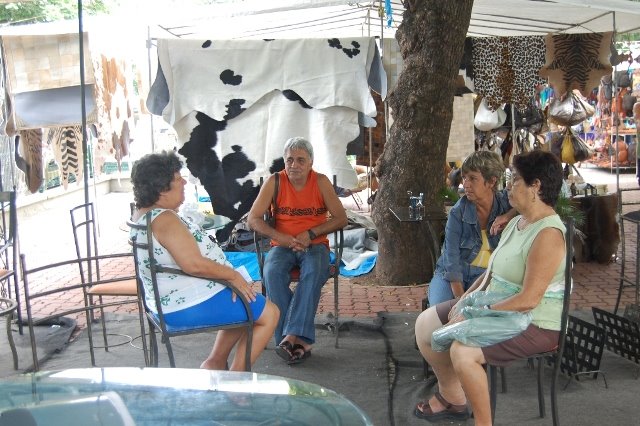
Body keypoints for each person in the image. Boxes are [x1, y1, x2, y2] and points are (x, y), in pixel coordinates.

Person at [414, 150, 567, 425]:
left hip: (536, 322)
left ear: (536, 187)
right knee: (426, 324)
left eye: (516, 180)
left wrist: (475, 312)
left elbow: (529, 300)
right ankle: (454, 398)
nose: (510, 185)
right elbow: (489, 275)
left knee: (463, 351)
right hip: (501, 305)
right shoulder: (517, 221)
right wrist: (465, 300)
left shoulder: (548, 234)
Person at [129, 151, 279, 371]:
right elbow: (194, 265)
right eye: (178, 179)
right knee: (269, 313)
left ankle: (215, 363)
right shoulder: (165, 219)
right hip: (182, 304)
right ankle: (236, 380)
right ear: (161, 189)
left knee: (243, 295)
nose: (185, 183)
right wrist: (232, 275)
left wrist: (234, 280)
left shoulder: (142, 215)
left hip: (166, 299)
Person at [247, 137, 348, 364]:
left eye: (301, 160)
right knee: (271, 274)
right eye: (289, 160)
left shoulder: (321, 182)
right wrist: (281, 237)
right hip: (281, 246)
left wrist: (311, 234)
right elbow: (252, 219)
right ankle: (300, 341)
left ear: (311, 162)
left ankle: (288, 338)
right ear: (284, 161)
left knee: (313, 273)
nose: (294, 165)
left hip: (315, 245)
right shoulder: (275, 182)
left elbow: (342, 218)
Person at [428, 150, 515, 306]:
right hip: (450, 275)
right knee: (440, 311)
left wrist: (508, 216)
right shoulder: (458, 212)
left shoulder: (505, 204)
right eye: (464, 178)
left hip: (485, 275)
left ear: (491, 182)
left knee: (482, 314)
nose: (465, 184)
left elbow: (534, 204)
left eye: (473, 178)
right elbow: (451, 261)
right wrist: (460, 301)